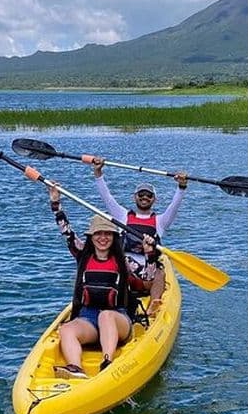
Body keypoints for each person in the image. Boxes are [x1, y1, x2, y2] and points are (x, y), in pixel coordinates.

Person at [48, 185, 158, 380]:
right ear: (91, 237)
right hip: (88, 318)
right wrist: (56, 203)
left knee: (106, 316)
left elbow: (149, 278)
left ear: (114, 237)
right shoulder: (83, 254)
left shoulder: (123, 261)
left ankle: (107, 362)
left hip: (118, 319)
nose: (102, 238)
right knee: (67, 329)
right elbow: (66, 231)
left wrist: (149, 252)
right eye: (98, 234)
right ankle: (75, 367)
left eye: (107, 234)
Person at [91, 157, 188, 316]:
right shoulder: (122, 216)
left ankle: (153, 306)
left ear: (154, 200)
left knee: (160, 274)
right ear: (134, 197)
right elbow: (106, 197)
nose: (144, 197)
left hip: (147, 276)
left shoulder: (160, 221)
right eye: (141, 194)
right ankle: (106, 303)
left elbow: (174, 206)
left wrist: (181, 187)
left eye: (148, 195)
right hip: (124, 270)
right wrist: (98, 173)